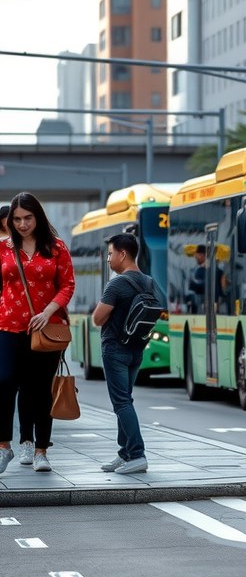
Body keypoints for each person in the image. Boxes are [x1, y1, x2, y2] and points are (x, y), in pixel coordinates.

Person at [0, 193, 76, 474]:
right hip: (8, 324)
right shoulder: (4, 249)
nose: (21, 224)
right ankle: (4, 447)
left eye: (27, 218)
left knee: (40, 389)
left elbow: (67, 285)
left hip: (47, 327)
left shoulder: (56, 247)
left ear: (38, 217)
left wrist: (47, 312)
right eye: (16, 219)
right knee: (4, 380)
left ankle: (41, 450)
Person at [91, 233, 154, 474]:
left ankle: (137, 454)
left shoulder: (116, 284)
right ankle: (125, 453)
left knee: (121, 402)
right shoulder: (149, 282)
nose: (108, 259)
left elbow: (97, 318)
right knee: (125, 399)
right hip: (136, 350)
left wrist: (110, 315)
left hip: (115, 348)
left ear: (122, 254)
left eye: (110, 254)